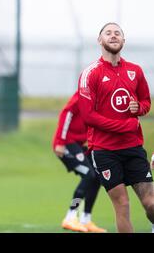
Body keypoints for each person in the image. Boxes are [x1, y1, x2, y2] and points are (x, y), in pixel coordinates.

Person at [78, 22, 154, 233]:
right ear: (99, 40)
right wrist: (123, 125)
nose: (113, 36)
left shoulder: (135, 71)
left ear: (123, 40)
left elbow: (146, 103)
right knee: (122, 205)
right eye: (108, 33)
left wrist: (138, 107)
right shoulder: (90, 73)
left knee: (151, 204)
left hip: (133, 147)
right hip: (104, 151)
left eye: (117, 33)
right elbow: (87, 116)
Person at [53, 91, 106, 232]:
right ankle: (70, 216)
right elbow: (67, 114)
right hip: (66, 144)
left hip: (79, 146)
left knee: (96, 177)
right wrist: (60, 141)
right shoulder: (83, 95)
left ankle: (86, 219)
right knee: (89, 175)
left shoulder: (101, 99)